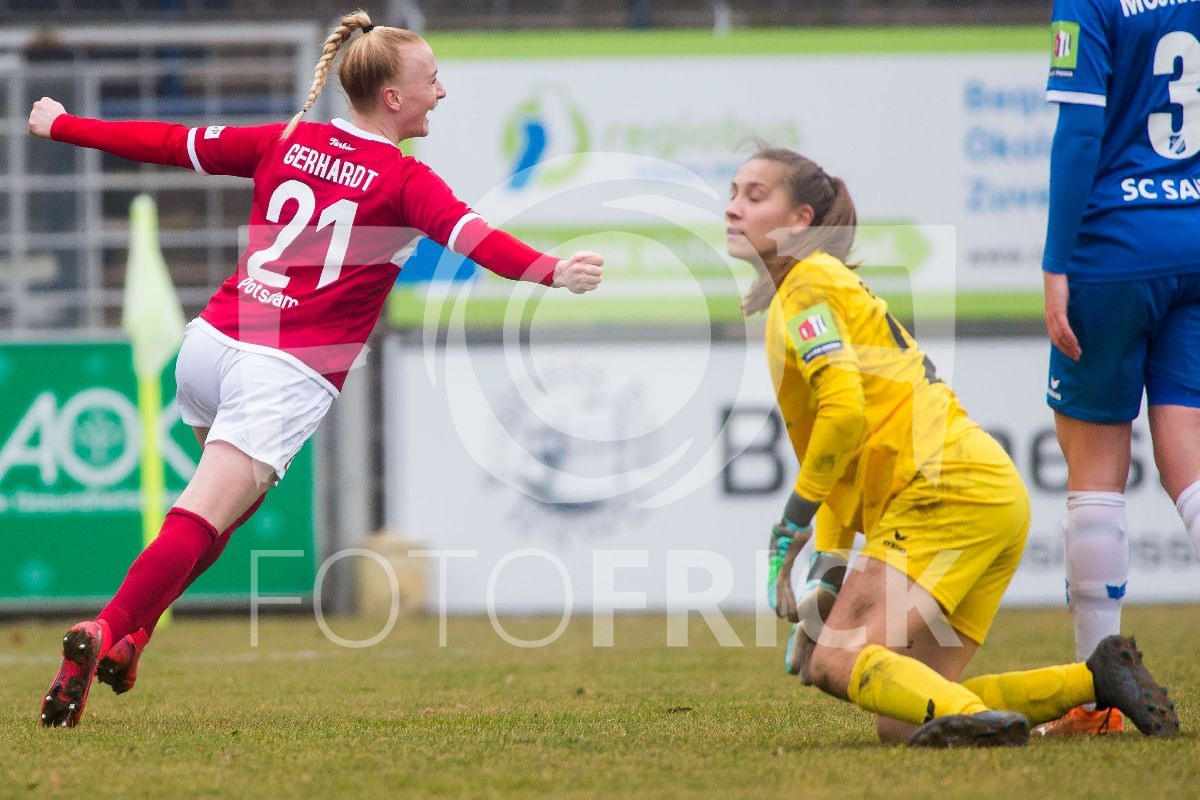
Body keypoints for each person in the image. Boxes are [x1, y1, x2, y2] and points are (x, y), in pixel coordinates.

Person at [31, 9, 604, 729]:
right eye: (432, 81)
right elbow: (478, 241)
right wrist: (554, 271)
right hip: (281, 368)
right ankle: (106, 629)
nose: (441, 92)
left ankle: (132, 638)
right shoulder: (405, 180)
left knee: (226, 508)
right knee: (202, 515)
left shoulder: (288, 139)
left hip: (212, 343)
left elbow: (171, 142)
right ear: (392, 97)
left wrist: (65, 126)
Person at [728, 146, 1178, 746]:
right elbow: (845, 462)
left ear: (800, 220)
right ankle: (1097, 679)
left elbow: (843, 413)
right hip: (986, 493)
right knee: (903, 715)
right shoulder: (818, 283)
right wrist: (825, 582)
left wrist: (791, 524)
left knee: (835, 660)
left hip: (941, 490)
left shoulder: (806, 283)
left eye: (754, 196)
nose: (732, 208)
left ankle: (984, 726)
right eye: (732, 193)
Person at [1035, 0, 1200, 737]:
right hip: (1194, 240)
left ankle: (1098, 703)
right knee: (1190, 465)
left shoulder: (1089, 2)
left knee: (1096, 472)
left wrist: (1055, 262)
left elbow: (1079, 133)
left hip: (1114, 248)